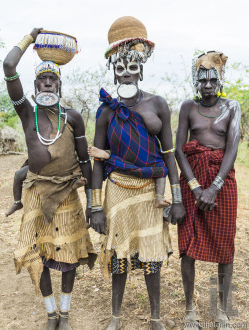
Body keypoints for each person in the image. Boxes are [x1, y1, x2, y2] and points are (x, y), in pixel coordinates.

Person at [90, 16, 185, 330]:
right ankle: (116, 317)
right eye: (120, 68)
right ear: (113, 70)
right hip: (117, 188)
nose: (126, 73)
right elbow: (98, 160)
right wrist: (94, 207)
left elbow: (169, 154)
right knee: (119, 257)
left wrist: (178, 196)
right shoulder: (106, 109)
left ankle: (155, 317)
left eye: (133, 67)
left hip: (150, 192)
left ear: (141, 70)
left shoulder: (157, 104)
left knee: (152, 257)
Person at [3, 28, 97, 330]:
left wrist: (93, 203)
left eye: (52, 79)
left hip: (68, 193)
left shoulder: (72, 117)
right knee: (37, 254)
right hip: (34, 193)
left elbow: (85, 160)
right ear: (34, 84)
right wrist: (29, 38)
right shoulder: (27, 114)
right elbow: (8, 66)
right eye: (42, 78)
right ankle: (51, 313)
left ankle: (66, 314)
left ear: (59, 83)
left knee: (70, 255)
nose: (47, 82)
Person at [175, 51, 240, 329]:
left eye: (212, 79)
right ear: (196, 82)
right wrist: (194, 186)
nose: (208, 85)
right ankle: (190, 310)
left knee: (225, 248)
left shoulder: (232, 107)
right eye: (202, 80)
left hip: (222, 183)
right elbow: (178, 148)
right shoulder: (188, 107)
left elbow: (233, 147)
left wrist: (214, 186)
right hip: (192, 181)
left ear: (220, 79)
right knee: (187, 247)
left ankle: (222, 311)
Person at [87, 146, 170, 208]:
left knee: (162, 169)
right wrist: (96, 207)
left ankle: (109, 156)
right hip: (124, 160)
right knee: (161, 169)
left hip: (147, 158)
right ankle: (160, 198)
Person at [6, 164, 87, 217]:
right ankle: (17, 202)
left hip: (61, 163)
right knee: (18, 174)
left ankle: (72, 183)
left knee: (65, 173)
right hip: (40, 163)